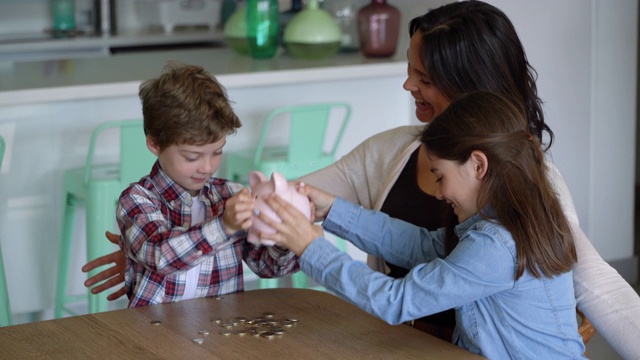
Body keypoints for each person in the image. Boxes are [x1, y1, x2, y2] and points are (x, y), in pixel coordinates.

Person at [82, 1, 640, 357]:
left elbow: (598, 288)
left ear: (477, 161)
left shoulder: (526, 192)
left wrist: (308, 243)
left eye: (421, 77)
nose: (406, 88)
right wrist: (172, 246)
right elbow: (280, 205)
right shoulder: (395, 151)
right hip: (389, 339)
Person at [259, 90, 587, 359]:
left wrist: (311, 248)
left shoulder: (497, 246)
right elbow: (420, 246)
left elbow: (395, 301)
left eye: (441, 176)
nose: (440, 192)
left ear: (478, 165)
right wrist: (333, 211)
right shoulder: (503, 223)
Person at [116, 62, 298, 307]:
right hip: (154, 335)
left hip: (221, 331)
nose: (207, 167)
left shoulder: (230, 195)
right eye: (192, 157)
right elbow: (160, 255)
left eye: (217, 152)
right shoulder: (137, 199)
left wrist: (284, 235)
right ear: (155, 144)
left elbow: (269, 266)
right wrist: (223, 226)